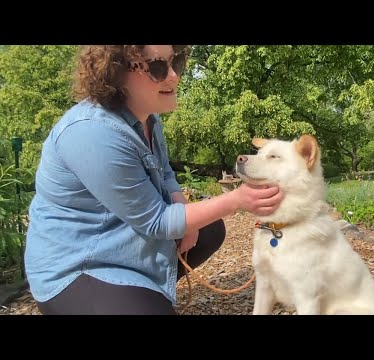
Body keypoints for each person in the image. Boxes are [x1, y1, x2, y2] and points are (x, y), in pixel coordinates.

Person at [24, 45, 283, 315]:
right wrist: (238, 199)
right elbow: (157, 222)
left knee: (209, 228)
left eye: (176, 63)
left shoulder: (147, 117)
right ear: (114, 71)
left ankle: (144, 292)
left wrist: (184, 210)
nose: (174, 76)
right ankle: (126, 297)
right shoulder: (93, 133)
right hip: (82, 263)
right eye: (158, 67)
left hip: (126, 237)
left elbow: (166, 174)